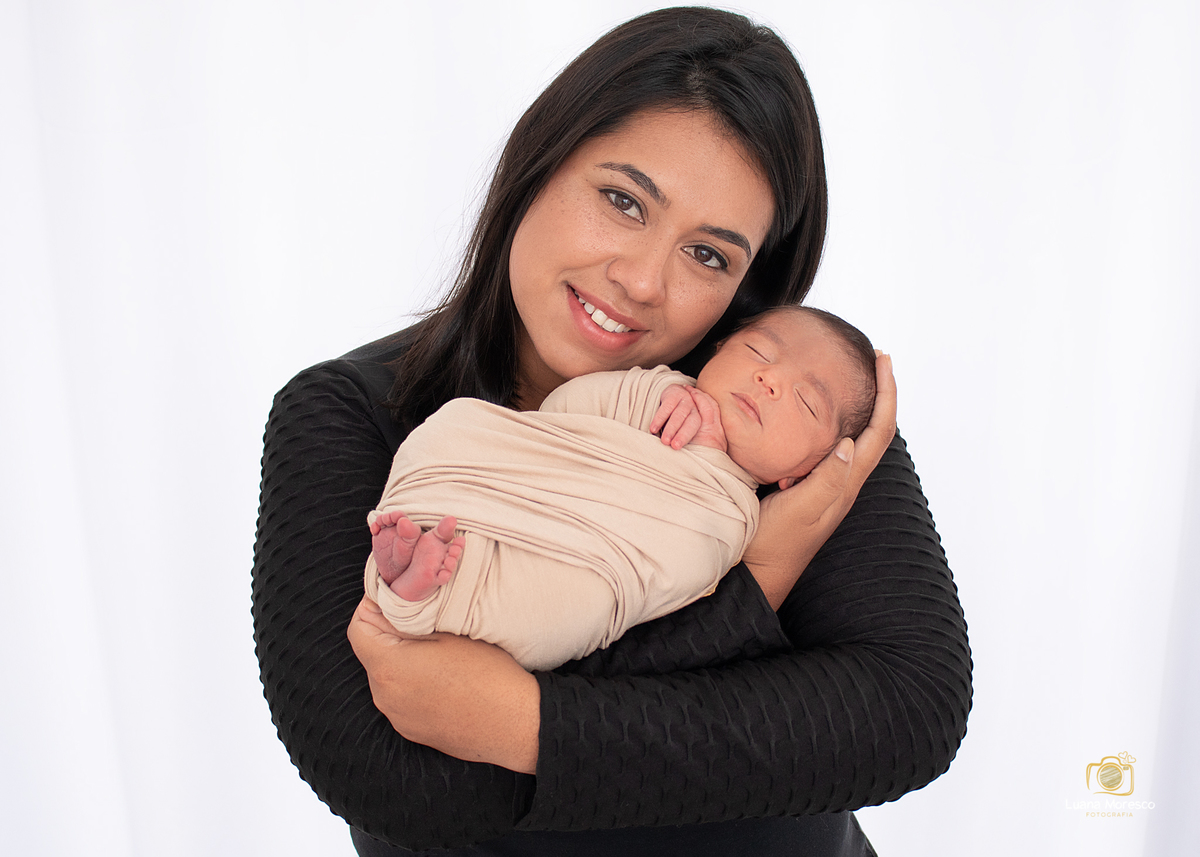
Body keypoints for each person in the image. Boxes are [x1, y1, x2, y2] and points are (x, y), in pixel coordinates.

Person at [251, 7, 972, 856]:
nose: (638, 280)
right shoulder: (346, 415)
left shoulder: (778, 403)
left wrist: (517, 720)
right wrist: (758, 592)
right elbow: (383, 775)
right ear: (540, 162)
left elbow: (909, 709)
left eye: (709, 255)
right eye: (624, 201)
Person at [365, 306, 877, 673]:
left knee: (568, 612)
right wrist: (651, 395)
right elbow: (559, 416)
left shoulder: (741, 514)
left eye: (806, 402)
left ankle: (417, 593)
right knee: (455, 423)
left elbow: (678, 584)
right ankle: (421, 545)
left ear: (802, 475)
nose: (769, 379)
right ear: (717, 353)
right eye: (758, 351)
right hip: (532, 481)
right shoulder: (653, 390)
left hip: (594, 564)